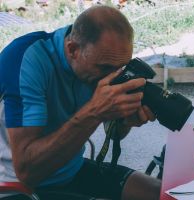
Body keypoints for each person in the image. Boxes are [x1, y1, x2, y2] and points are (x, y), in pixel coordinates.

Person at [0, 5, 161, 200]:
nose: (112, 76)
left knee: (159, 192)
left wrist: (125, 120)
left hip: (69, 169)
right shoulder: (27, 59)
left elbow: (115, 131)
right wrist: (94, 112)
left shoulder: (97, 56)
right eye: (105, 67)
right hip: (14, 184)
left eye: (121, 68)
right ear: (72, 49)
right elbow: (27, 171)